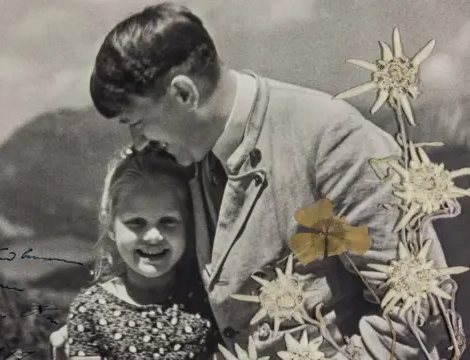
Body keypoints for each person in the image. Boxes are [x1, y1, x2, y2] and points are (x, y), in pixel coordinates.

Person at [53, 2, 454, 359]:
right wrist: (103, 324)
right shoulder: (184, 155)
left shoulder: (330, 141)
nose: (137, 142)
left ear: (183, 93)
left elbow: (420, 312)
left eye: (137, 121)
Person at [61, 145, 221, 360]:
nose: (153, 236)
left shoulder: (207, 302)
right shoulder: (90, 310)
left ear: (188, 227)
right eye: (136, 222)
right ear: (111, 227)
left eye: (168, 221)